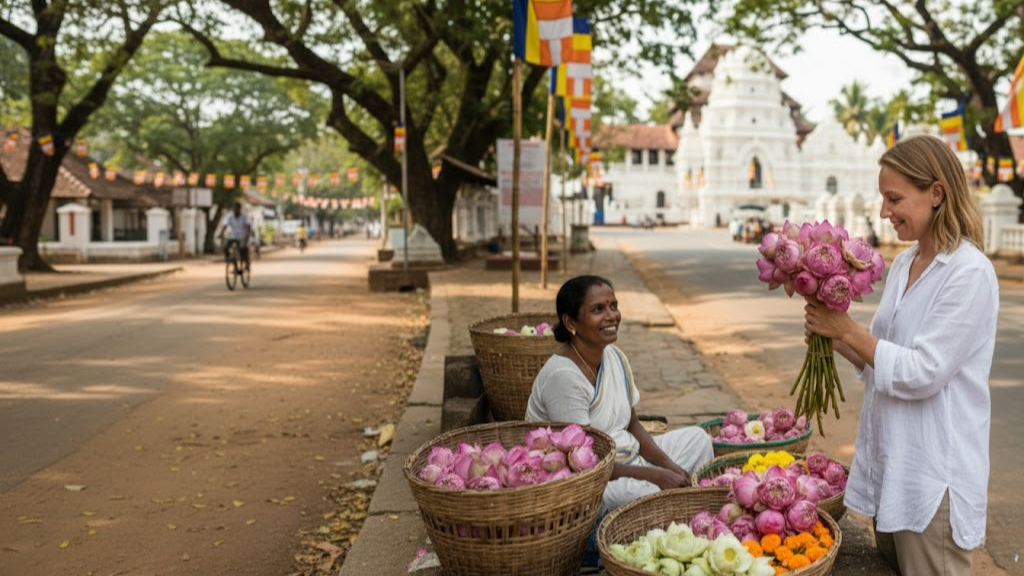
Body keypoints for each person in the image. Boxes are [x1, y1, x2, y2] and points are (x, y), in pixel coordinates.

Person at [803, 135, 998, 576]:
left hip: (933, 477)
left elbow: (922, 372)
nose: (883, 212)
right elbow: (882, 355)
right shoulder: (907, 261)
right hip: (894, 464)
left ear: (936, 193)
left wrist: (849, 330)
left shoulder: (969, 273)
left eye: (894, 199)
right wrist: (835, 339)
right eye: (882, 198)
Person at [526, 274, 715, 515]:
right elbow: (585, 464)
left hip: (628, 459)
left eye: (613, 306)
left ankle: (675, 503)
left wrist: (670, 467)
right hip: (588, 483)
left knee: (698, 439)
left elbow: (633, 425)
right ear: (571, 323)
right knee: (645, 496)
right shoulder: (563, 376)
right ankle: (672, 507)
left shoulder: (614, 356)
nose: (611, 316)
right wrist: (656, 475)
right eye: (598, 309)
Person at [219, 202, 252, 269]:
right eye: (234, 209)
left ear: (240, 209)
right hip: (233, 236)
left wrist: (248, 235)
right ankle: (230, 259)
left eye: (237, 209)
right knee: (225, 246)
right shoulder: (230, 217)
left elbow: (248, 226)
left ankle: (245, 262)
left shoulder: (245, 217)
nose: (235, 210)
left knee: (242, 248)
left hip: (242, 236)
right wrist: (221, 233)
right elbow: (225, 225)